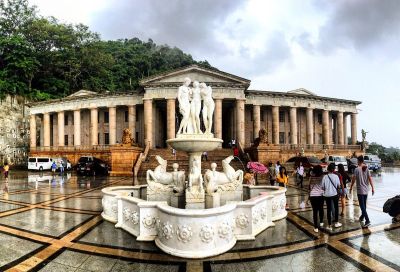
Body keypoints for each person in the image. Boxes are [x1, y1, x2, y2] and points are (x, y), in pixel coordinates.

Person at [350, 155, 375, 228]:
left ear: (358, 161)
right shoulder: (366, 168)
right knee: (364, 205)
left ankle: (367, 220)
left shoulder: (357, 169)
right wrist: (373, 188)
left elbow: (353, 180)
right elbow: (370, 178)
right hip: (366, 190)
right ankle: (362, 217)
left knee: (362, 206)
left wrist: (351, 187)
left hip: (360, 190)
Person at [321, 163, 343, 230]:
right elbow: (338, 186)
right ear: (333, 170)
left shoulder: (325, 177)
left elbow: (322, 187)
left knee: (328, 209)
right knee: (336, 208)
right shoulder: (336, 176)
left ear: (328, 169)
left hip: (327, 195)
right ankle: (336, 223)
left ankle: (329, 225)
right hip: (334, 195)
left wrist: (327, 189)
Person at [307, 165, 324, 233]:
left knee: (315, 211)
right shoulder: (323, 177)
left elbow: (309, 187)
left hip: (313, 196)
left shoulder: (311, 177)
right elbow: (324, 186)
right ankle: (321, 222)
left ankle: (316, 227)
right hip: (320, 195)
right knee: (321, 209)